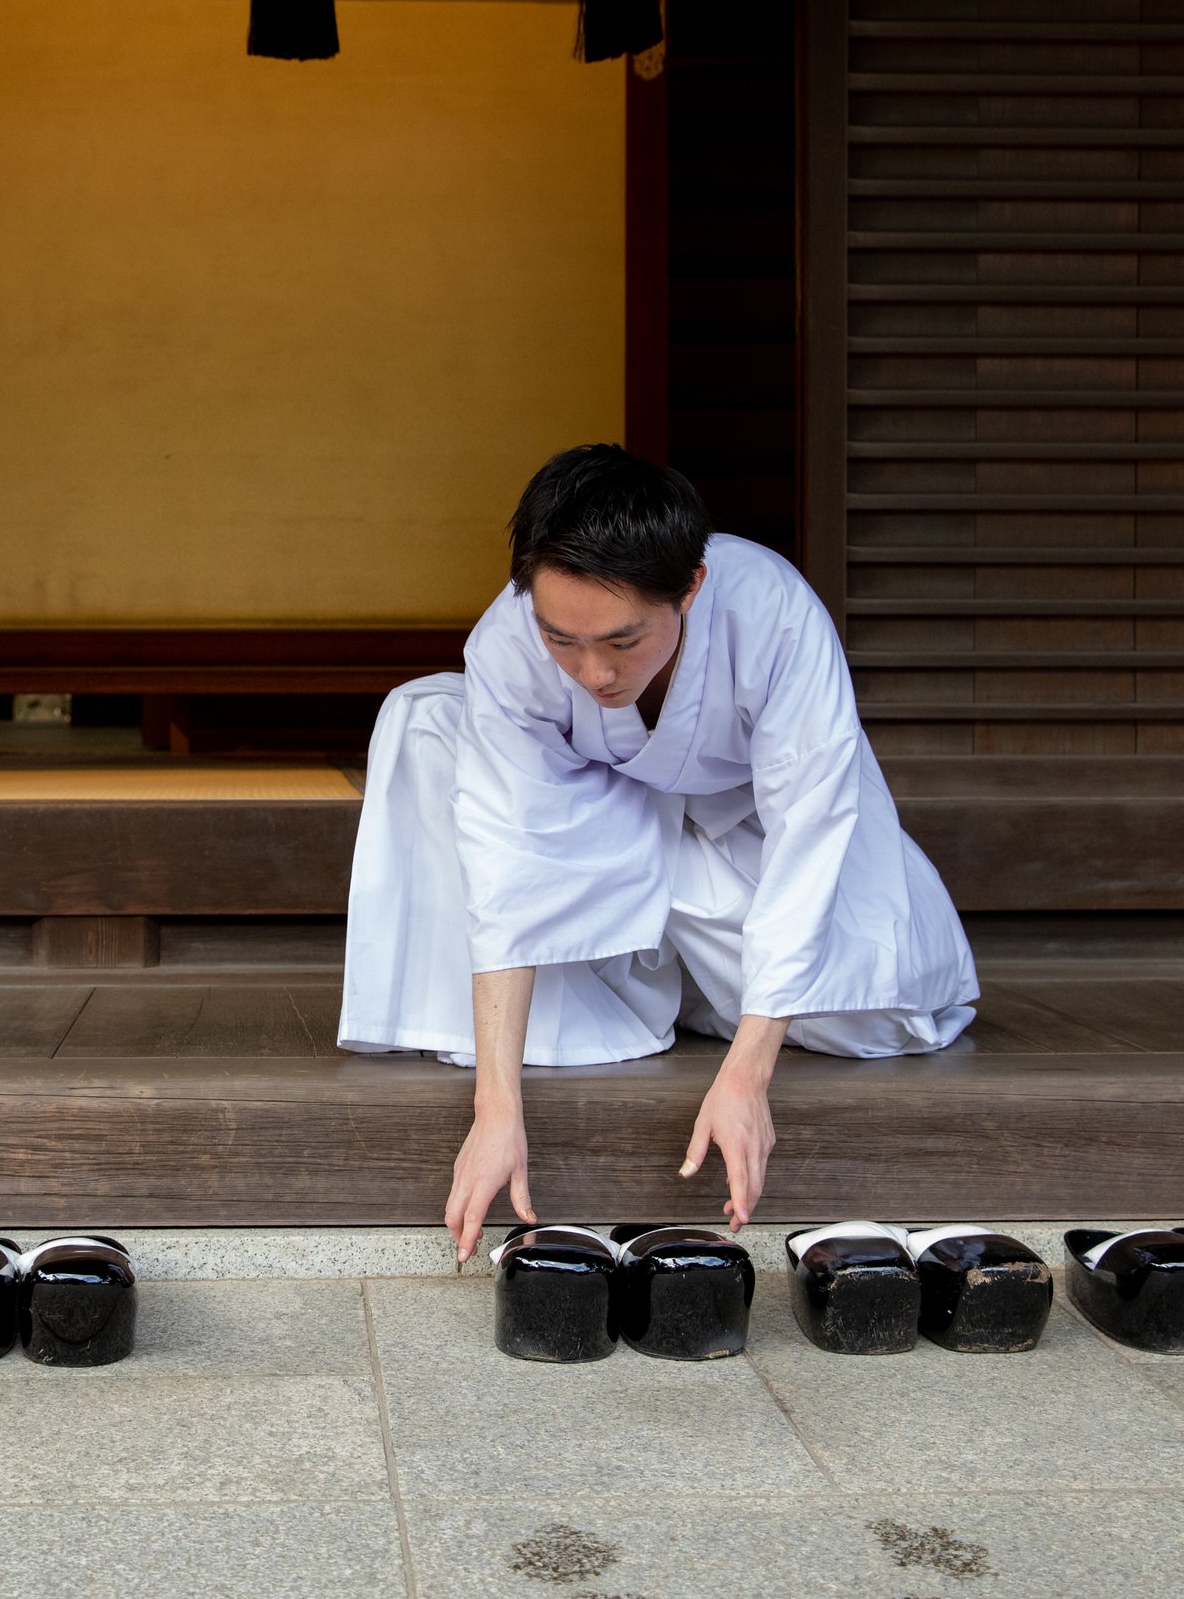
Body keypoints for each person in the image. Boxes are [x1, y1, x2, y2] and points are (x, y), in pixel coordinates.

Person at [337, 444, 978, 1263]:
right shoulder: (509, 640)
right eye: (561, 639)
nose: (593, 672)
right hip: (607, 830)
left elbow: (811, 827)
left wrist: (747, 1077)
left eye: (623, 640)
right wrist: (496, 1110)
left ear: (691, 587)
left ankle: (701, 987)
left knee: (867, 1015)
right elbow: (503, 862)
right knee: (424, 714)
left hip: (746, 841)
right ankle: (635, 996)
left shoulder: (774, 613)